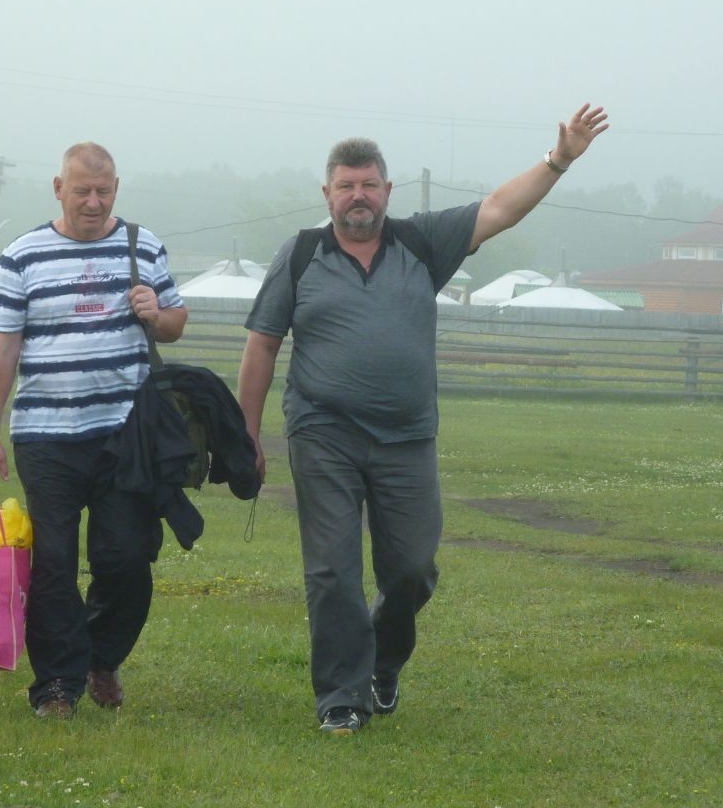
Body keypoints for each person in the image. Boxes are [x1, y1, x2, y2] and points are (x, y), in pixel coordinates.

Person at [237, 102, 609, 735]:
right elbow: (263, 343)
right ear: (327, 194)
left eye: (369, 184)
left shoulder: (421, 242)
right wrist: (244, 433)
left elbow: (498, 208)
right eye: (346, 185)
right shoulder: (300, 255)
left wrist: (559, 160)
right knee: (332, 568)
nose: (358, 196)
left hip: (406, 439)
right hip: (322, 432)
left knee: (411, 568)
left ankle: (383, 661)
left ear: (388, 191)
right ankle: (341, 699)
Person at [0, 141, 188, 719]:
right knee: (53, 565)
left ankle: (102, 656)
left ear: (116, 188)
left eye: (104, 190)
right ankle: (57, 687)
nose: (93, 202)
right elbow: (1, 353)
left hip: (125, 435)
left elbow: (175, 324)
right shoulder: (23, 256)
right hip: (46, 436)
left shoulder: (145, 246)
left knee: (126, 559)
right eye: (82, 190)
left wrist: (156, 313)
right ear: (57, 188)